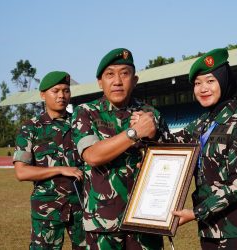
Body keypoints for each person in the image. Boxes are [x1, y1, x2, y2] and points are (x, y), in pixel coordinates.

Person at [159, 48, 237, 249]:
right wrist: (150, 124)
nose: (203, 88)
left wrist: (195, 213)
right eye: (198, 83)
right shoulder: (200, 125)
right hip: (210, 229)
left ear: (224, 82)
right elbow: (169, 144)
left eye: (210, 81)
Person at [71, 48, 170, 249]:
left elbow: (172, 162)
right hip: (103, 222)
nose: (117, 81)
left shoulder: (151, 115)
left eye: (124, 73)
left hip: (146, 220)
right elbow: (92, 155)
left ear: (134, 80)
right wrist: (134, 133)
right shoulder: (86, 112)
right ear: (100, 82)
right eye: (110, 74)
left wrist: (154, 136)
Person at [13, 71, 86, 249]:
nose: (62, 95)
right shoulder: (31, 128)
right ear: (43, 94)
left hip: (81, 206)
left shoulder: (80, 124)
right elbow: (21, 172)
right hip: (47, 210)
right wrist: (60, 169)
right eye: (56, 91)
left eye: (66, 90)